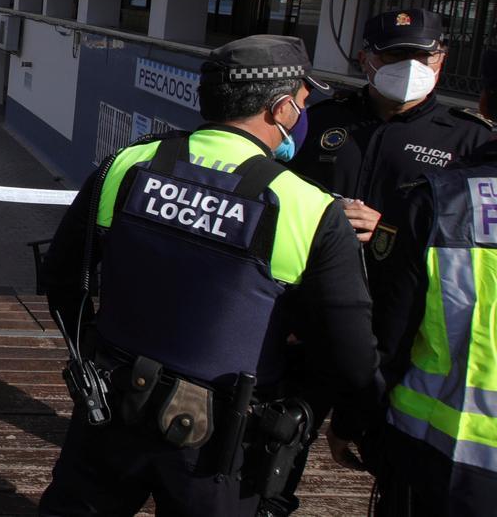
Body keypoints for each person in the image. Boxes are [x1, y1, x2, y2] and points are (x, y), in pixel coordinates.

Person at [37, 35, 378, 516]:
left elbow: (62, 278)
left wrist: (97, 349)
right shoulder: (310, 209)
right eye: (303, 103)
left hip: (111, 406)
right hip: (225, 445)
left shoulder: (129, 164)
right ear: (281, 109)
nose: (303, 116)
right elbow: (351, 356)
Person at [328, 49, 497, 516]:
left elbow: (391, 332)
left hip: (440, 460)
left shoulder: (441, 200)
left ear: (484, 101)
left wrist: (351, 420)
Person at [287, 8, 492, 247]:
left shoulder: (471, 137)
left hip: (401, 276)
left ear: (441, 60)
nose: (411, 65)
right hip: (316, 262)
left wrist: (389, 229)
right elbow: (285, 187)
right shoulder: (320, 119)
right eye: (395, 54)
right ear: (364, 60)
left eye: (423, 55)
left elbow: (471, 227)